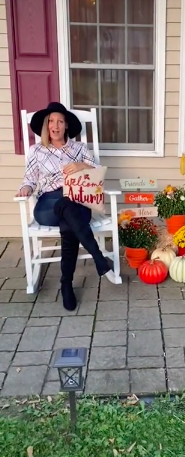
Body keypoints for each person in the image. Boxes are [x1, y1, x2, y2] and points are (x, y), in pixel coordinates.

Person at [17, 102, 116, 312]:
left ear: (66, 126)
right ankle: (98, 258)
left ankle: (66, 284)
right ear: (46, 125)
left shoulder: (79, 149)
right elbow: (29, 179)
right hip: (48, 204)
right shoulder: (36, 151)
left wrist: (82, 165)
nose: (55, 125)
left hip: (77, 199)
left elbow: (98, 170)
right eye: (51, 121)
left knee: (69, 217)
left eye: (60, 121)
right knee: (67, 210)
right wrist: (25, 189)